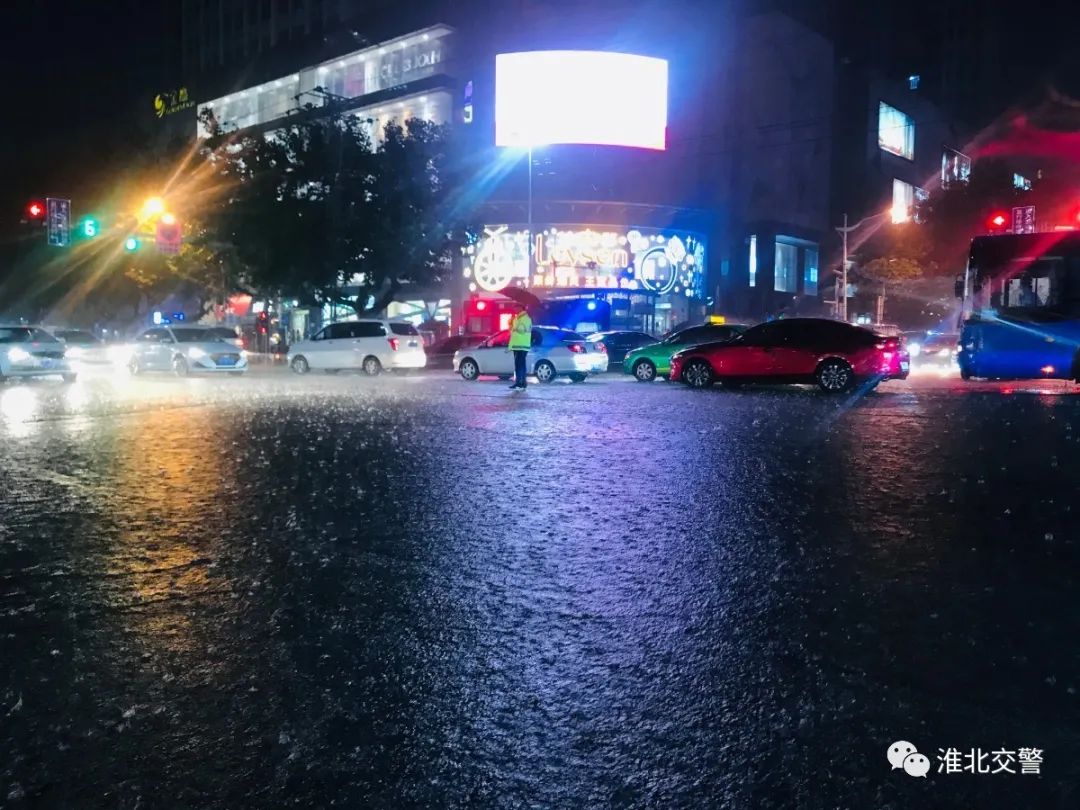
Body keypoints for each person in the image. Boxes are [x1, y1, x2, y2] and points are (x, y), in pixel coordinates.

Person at [508, 305, 533, 389]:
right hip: (517, 345)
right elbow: (512, 330)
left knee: (521, 364)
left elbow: (522, 329)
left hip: (522, 344)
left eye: (516, 307)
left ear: (520, 308)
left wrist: (515, 327)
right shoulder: (517, 318)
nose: (514, 309)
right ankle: (519, 382)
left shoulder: (526, 318)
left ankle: (521, 382)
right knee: (518, 364)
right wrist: (511, 323)